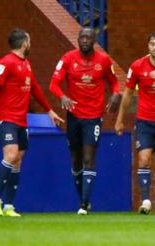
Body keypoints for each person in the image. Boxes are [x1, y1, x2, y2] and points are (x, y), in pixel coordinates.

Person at [0, 28, 64, 217]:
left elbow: (34, 88)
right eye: (29, 41)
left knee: (18, 160)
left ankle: (8, 206)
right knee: (11, 154)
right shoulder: (5, 63)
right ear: (24, 43)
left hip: (21, 120)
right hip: (5, 118)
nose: (30, 44)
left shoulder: (26, 64)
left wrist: (49, 110)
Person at [49, 27, 121, 215]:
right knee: (76, 159)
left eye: (89, 37)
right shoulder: (68, 58)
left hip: (93, 116)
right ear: (78, 39)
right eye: (82, 37)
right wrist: (62, 96)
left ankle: (83, 204)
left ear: (95, 40)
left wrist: (115, 95)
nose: (85, 40)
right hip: (73, 115)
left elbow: (114, 82)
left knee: (89, 157)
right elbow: (53, 84)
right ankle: (83, 198)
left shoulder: (103, 60)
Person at [114, 31, 155, 216]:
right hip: (145, 120)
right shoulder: (138, 66)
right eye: (152, 44)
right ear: (148, 46)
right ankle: (146, 200)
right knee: (144, 158)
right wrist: (119, 119)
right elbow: (128, 93)